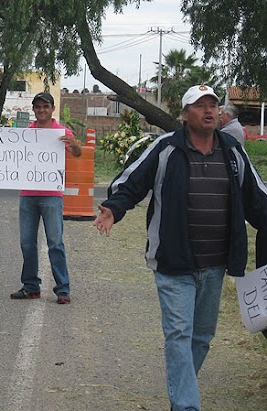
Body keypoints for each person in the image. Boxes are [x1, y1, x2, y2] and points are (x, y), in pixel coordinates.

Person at [93, 84, 267, 410]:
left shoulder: (232, 151)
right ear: (185, 114)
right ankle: (187, 406)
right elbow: (132, 181)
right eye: (200, 105)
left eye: (213, 104)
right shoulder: (166, 148)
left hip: (216, 263)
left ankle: (180, 396)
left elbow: (257, 197)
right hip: (173, 262)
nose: (209, 110)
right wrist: (114, 208)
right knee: (178, 335)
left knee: (201, 337)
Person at [0, 91, 82, 303]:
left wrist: (73, 145)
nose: (42, 110)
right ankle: (31, 286)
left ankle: (63, 289)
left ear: (52, 109)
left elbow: (78, 153)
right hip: (28, 195)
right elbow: (8, 150)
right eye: (38, 107)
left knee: (55, 243)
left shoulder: (61, 131)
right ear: (33, 109)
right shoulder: (26, 132)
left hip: (52, 196)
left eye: (45, 106)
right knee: (27, 242)